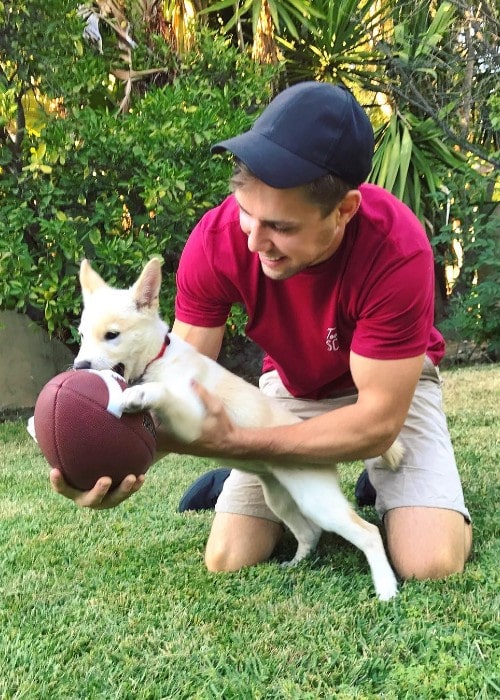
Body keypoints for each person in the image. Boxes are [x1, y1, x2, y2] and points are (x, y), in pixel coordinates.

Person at [51, 81, 472, 581]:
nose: (254, 241)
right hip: (289, 390)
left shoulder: (397, 249)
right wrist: (121, 460)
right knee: (228, 559)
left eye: (281, 228)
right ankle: (246, 480)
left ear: (343, 211)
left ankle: (377, 487)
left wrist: (241, 444)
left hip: (385, 391)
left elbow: (375, 424)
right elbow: (183, 379)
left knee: (429, 563)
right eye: (247, 215)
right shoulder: (217, 239)